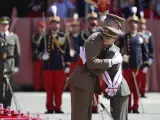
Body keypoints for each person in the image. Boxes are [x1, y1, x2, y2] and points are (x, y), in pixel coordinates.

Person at [68, 13, 130, 120]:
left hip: (87, 81)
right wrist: (111, 61)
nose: (119, 29)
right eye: (117, 26)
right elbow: (91, 62)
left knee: (85, 116)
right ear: (110, 25)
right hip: (82, 80)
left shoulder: (103, 38)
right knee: (80, 116)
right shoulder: (97, 38)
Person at [119, 8, 149, 113]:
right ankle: (127, 107)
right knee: (127, 89)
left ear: (137, 25)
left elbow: (145, 53)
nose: (133, 25)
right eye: (131, 23)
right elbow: (117, 49)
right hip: (126, 67)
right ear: (128, 24)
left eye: (135, 23)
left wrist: (145, 65)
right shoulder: (124, 37)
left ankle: (135, 107)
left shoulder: (141, 37)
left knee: (136, 89)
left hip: (137, 67)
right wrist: (121, 56)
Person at [43, 6, 71, 113]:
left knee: (59, 89)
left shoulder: (64, 37)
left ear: (59, 25)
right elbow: (38, 50)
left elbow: (67, 52)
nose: (55, 25)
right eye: (53, 23)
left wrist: (68, 65)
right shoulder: (45, 37)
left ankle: (58, 107)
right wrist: (42, 55)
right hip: (48, 66)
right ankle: (50, 107)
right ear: (50, 25)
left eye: (57, 23)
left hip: (60, 66)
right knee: (49, 88)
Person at [0, 16, 20, 108]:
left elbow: (18, 53)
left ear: (8, 25)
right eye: (2, 24)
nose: (4, 26)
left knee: (9, 88)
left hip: (10, 66)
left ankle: (7, 106)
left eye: (6, 24)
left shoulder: (14, 37)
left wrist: (17, 66)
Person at [138, 12, 154, 97]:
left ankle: (143, 92)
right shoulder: (136, 34)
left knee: (144, 76)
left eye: (143, 23)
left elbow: (151, 47)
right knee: (137, 76)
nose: (142, 25)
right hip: (137, 58)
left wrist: (150, 58)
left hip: (145, 59)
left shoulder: (148, 34)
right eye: (140, 23)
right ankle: (137, 91)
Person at [32, 21, 46, 91]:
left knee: (44, 74)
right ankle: (37, 87)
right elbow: (34, 47)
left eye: (43, 28)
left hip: (44, 57)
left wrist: (42, 54)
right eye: (40, 27)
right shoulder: (35, 36)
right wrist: (38, 55)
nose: (41, 29)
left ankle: (44, 87)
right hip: (36, 58)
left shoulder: (46, 37)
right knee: (37, 74)